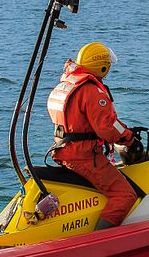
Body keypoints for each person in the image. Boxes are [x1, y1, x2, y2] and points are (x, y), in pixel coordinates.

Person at [46, 42, 142, 230]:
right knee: (124, 195)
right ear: (102, 66)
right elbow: (108, 126)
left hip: (64, 151)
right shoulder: (91, 90)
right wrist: (129, 137)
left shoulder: (67, 83)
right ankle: (100, 240)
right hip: (84, 157)